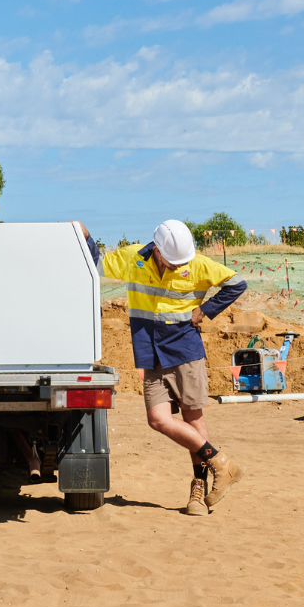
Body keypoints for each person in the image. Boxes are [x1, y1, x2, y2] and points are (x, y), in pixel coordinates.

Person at [79, 219, 248, 516]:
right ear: (157, 250)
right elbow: (97, 264)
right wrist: (87, 235)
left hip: (185, 351)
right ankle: (222, 462)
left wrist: (206, 310)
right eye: (171, 262)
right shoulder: (134, 258)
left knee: (192, 418)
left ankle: (198, 490)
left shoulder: (196, 263)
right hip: (150, 353)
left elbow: (237, 284)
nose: (176, 266)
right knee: (158, 420)